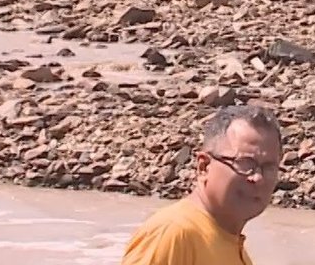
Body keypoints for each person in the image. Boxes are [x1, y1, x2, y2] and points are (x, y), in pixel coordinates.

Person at [121, 105, 283, 265]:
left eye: (269, 167)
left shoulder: (231, 244)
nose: (258, 178)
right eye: (245, 163)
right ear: (204, 167)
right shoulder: (173, 234)